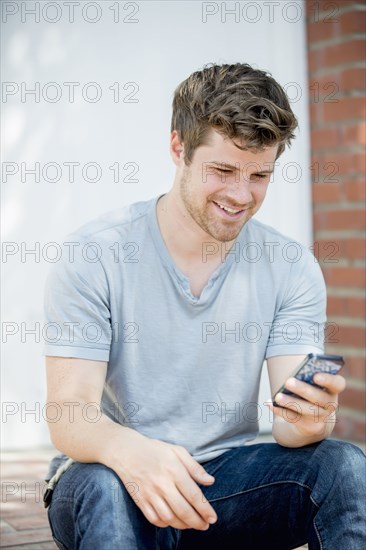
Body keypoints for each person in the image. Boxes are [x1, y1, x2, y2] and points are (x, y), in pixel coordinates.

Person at [43, 63, 365, 550]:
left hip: (223, 487)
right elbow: (69, 413)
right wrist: (134, 454)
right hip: (110, 478)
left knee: (345, 466)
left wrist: (309, 418)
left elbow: (288, 426)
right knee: (103, 487)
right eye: (222, 170)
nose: (241, 195)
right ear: (178, 148)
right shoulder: (96, 254)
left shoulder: (290, 266)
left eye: (260, 175)